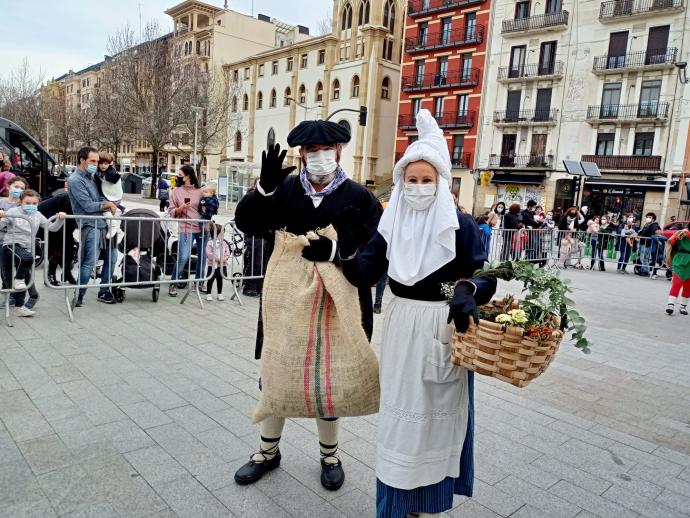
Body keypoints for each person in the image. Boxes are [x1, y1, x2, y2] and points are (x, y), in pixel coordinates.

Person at [335, 109, 496, 518]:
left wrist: (469, 290)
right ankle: (394, 509)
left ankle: (426, 507)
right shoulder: (390, 224)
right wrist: (334, 253)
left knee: (437, 422)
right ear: (402, 181)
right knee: (401, 424)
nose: (419, 187)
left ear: (440, 182)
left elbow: (486, 276)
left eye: (427, 180)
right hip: (402, 325)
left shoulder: (461, 227)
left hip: (445, 329)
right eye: (412, 180)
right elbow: (363, 272)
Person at [233, 120, 382, 491]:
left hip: (338, 300)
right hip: (287, 301)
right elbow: (247, 222)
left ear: (340, 151)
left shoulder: (359, 197)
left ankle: (330, 455)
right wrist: (263, 189)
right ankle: (267, 452)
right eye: (311, 151)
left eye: (325, 150)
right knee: (279, 372)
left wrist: (337, 250)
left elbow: (377, 248)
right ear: (301, 154)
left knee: (329, 378)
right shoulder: (283, 191)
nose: (319, 157)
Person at [67, 146, 119, 306]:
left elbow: (110, 185)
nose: (96, 164)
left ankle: (104, 291)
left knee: (113, 257)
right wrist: (107, 204)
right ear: (82, 160)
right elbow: (87, 206)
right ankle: (79, 295)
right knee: (90, 261)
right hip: (90, 224)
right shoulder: (75, 180)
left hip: (105, 223)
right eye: (93, 161)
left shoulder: (92, 176)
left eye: (97, 161)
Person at [0, 190, 66, 316]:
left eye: (34, 203)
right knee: (21, 265)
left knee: (23, 279)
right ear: (21, 202)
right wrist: (2, 216)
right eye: (28, 203)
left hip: (26, 248)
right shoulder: (13, 212)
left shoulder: (38, 214)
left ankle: (19, 307)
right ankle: (16, 283)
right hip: (11, 245)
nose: (31, 205)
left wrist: (60, 219)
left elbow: (52, 228)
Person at [167, 165, 207, 297]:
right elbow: (171, 211)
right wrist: (181, 208)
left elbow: (208, 207)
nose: (178, 177)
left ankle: (200, 282)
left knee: (203, 256)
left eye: (180, 175)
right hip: (185, 228)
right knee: (183, 256)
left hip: (202, 228)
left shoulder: (200, 191)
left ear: (188, 176)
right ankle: (173, 282)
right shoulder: (177, 191)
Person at [666, 223, 690, 315]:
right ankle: (670, 304)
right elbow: (671, 241)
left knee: (688, 285)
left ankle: (683, 306)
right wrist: (678, 236)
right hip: (680, 259)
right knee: (677, 282)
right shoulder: (683, 232)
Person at [204, 223, 229, 302]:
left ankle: (220, 293)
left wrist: (225, 258)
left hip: (222, 265)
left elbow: (227, 251)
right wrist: (217, 258)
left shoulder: (224, 243)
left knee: (220, 279)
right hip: (212, 265)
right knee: (210, 279)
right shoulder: (210, 243)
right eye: (221, 234)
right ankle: (208, 293)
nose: (222, 236)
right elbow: (209, 253)